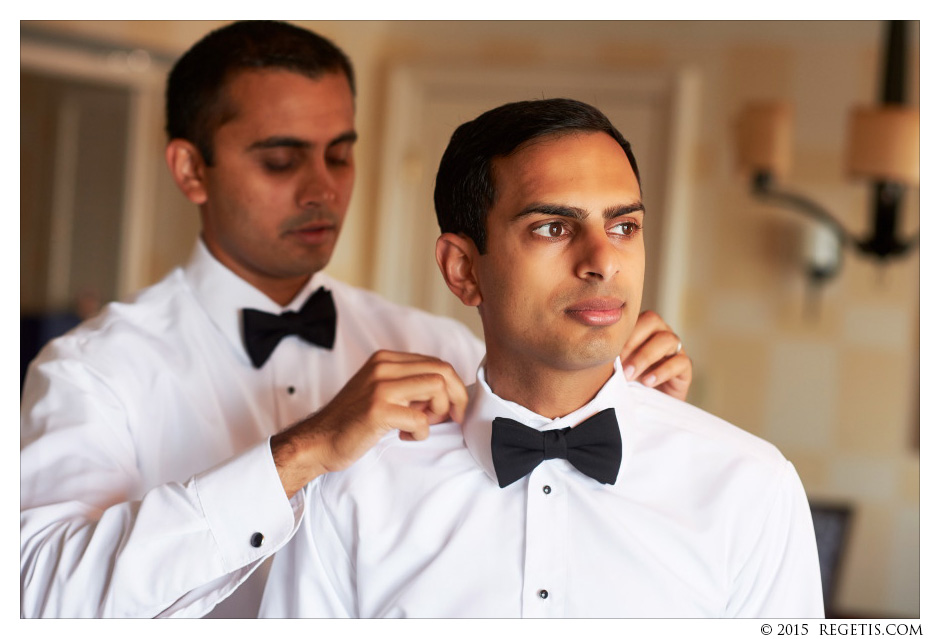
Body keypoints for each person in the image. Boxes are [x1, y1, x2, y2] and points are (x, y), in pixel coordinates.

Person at [20, 21, 693, 619]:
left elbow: (538, 516)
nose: (323, 187)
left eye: (339, 153)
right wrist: (301, 452)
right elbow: (38, 598)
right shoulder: (92, 369)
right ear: (192, 168)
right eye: (282, 159)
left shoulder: (437, 345)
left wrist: (628, 398)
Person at [259, 97, 824, 618]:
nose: (604, 261)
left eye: (624, 226)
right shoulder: (352, 490)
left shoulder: (751, 487)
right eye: (553, 227)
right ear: (463, 268)